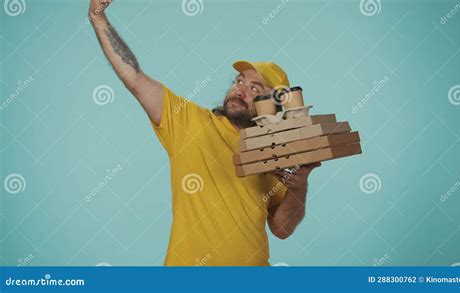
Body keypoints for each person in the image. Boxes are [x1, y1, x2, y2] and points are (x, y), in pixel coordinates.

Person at [88, 0, 321, 266]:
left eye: (256, 89)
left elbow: (282, 229)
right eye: (239, 81)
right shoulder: (188, 120)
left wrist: (299, 184)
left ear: (274, 107)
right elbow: (135, 78)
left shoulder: (276, 151)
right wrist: (98, 17)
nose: (240, 90)